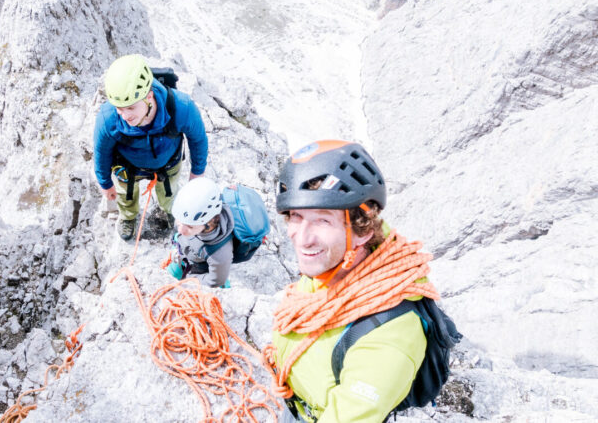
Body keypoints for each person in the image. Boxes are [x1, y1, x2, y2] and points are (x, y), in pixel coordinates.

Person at [267, 140, 449, 423]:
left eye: (322, 221)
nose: (302, 239)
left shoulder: (389, 334)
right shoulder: (331, 265)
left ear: (362, 229)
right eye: (296, 217)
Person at [93, 54, 208, 240]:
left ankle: (170, 210)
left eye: (130, 108)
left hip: (168, 163)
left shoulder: (181, 107)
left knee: (169, 193)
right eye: (119, 108)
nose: (124, 116)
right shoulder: (108, 118)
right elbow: (101, 152)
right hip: (128, 167)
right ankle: (128, 216)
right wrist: (105, 183)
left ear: (149, 96)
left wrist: (197, 172)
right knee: (126, 196)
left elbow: (198, 139)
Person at [166, 177, 235, 288]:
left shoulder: (220, 254)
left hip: (198, 273)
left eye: (190, 226)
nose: (180, 230)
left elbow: (215, 281)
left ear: (209, 222)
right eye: (180, 221)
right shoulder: (187, 213)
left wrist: (188, 281)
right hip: (184, 259)